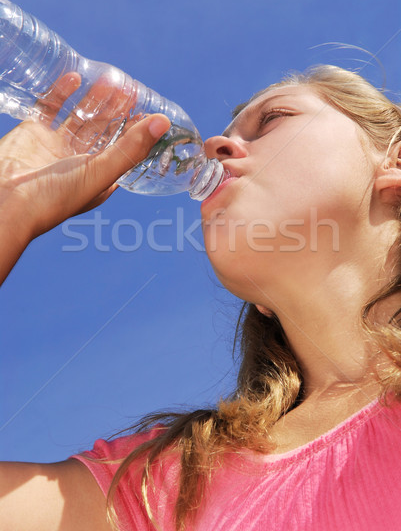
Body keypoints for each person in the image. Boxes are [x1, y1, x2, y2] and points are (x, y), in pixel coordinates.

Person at [0, 65, 401, 531]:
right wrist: (12, 209)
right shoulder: (165, 486)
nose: (215, 145)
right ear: (262, 303)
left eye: (272, 119)